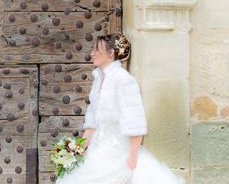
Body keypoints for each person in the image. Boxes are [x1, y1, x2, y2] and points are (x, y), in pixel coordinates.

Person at [56, 33, 184, 184]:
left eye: (97, 49)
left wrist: (132, 156)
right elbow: (92, 121)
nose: (92, 53)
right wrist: (79, 149)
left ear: (110, 54)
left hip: (118, 150)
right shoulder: (98, 79)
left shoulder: (124, 80)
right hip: (98, 147)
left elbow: (135, 120)